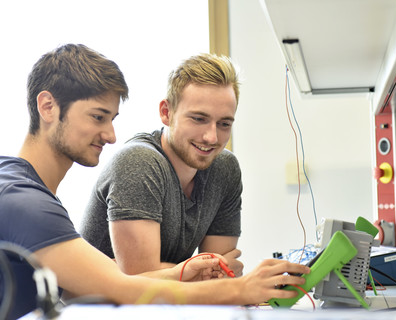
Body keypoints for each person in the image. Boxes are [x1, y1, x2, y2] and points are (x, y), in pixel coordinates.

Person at [0, 44, 309, 320]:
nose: (111, 136)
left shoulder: (24, 190)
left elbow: (122, 283)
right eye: (97, 117)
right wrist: (240, 289)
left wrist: (183, 272)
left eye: (112, 119)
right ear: (47, 106)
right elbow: (123, 288)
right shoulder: (26, 203)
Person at [81, 53, 244, 276]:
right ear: (166, 113)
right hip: (101, 308)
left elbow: (219, 273)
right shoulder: (139, 163)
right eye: (198, 119)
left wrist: (203, 273)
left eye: (224, 123)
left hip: (170, 306)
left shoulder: (224, 169)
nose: (212, 137)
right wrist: (200, 272)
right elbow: (140, 280)